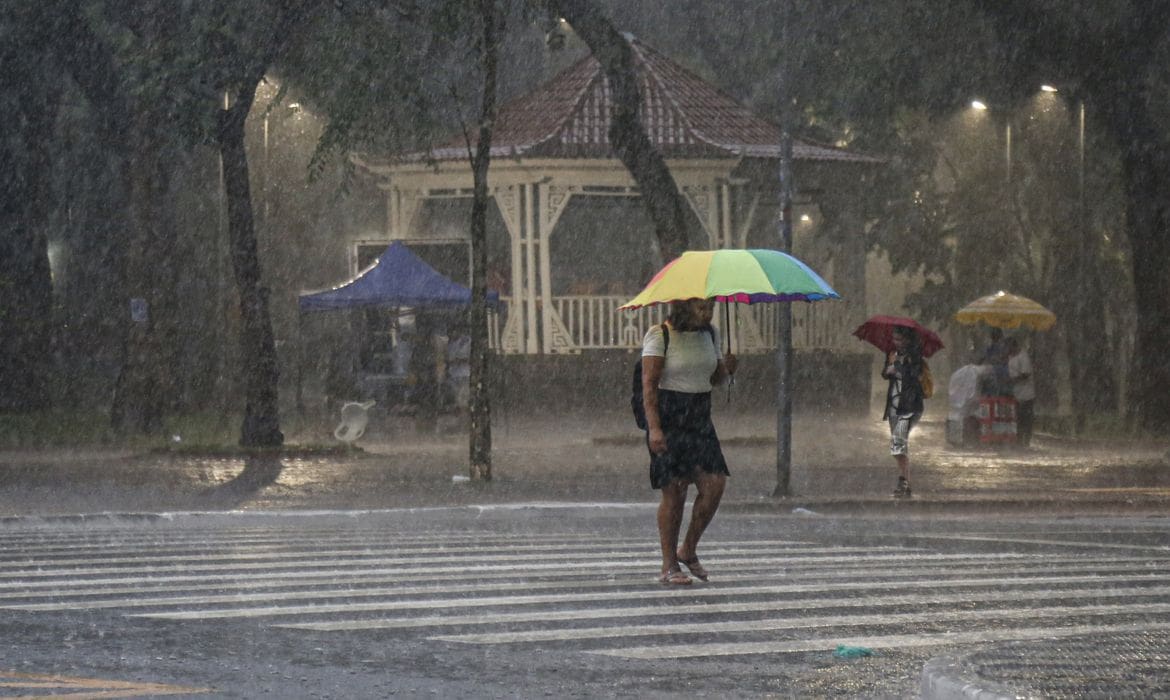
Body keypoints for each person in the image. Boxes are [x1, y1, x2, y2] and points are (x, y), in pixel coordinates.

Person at [641, 298, 736, 585]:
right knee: (675, 491)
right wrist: (655, 429)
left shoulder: (711, 334)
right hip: (669, 416)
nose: (708, 314)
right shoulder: (660, 335)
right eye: (701, 308)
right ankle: (669, 565)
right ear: (684, 307)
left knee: (715, 484)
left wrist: (728, 368)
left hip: (699, 416)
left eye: (711, 308)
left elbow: (716, 379)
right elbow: (649, 384)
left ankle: (688, 549)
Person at [882, 326, 926, 498]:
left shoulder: (915, 356)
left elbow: (914, 375)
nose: (896, 343)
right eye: (894, 339)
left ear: (907, 340)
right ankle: (904, 480)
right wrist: (889, 368)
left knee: (898, 443)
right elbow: (884, 374)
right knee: (897, 444)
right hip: (894, 406)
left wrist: (898, 367)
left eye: (899, 339)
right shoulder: (892, 354)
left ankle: (904, 481)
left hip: (910, 406)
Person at [1006, 336, 1036, 447]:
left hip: (1026, 394)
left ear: (1014, 346)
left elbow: (1025, 374)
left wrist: (1013, 380)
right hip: (1017, 394)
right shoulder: (1010, 357)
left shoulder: (1023, 357)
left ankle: (1026, 442)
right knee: (1018, 419)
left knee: (1026, 420)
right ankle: (1019, 441)